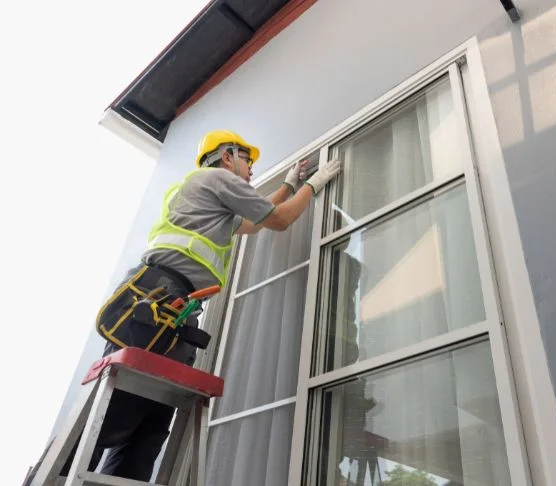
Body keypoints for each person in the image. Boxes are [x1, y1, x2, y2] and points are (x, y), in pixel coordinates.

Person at [27, 129, 341, 483]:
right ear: (228, 157)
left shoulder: (202, 194)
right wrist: (312, 185)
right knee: (118, 413)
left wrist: (288, 183)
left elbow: (254, 222)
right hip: (160, 300)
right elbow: (279, 220)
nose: (252, 171)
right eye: (248, 162)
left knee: (150, 420)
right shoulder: (217, 178)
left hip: (171, 306)